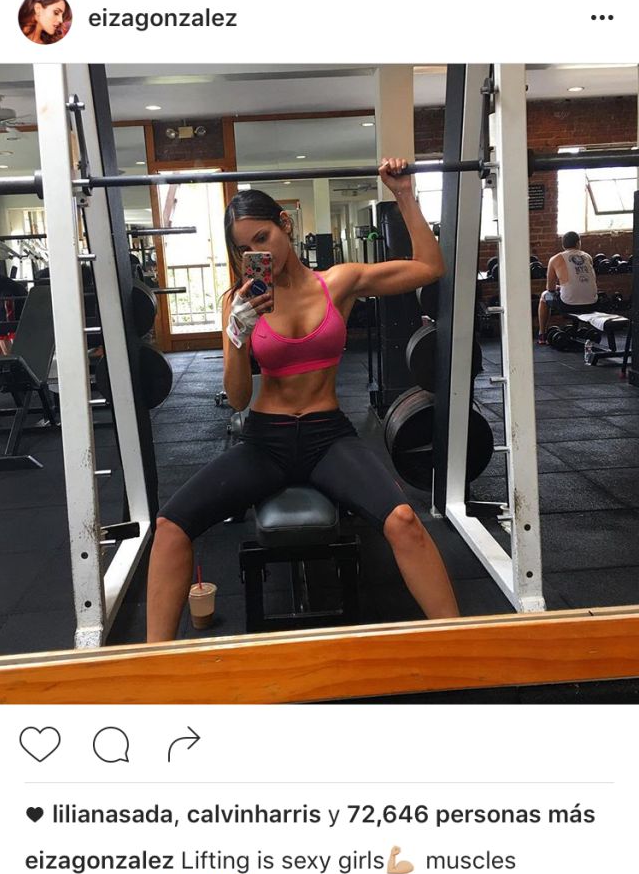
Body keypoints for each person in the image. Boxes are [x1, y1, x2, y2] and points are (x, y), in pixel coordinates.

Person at [146, 158, 460, 642]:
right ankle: (154, 665)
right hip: (265, 442)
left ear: (285, 225)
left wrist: (403, 193)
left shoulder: (338, 283)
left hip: (326, 436)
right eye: (245, 248)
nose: (257, 253)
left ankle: (462, 645)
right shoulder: (239, 302)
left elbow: (430, 267)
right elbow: (237, 399)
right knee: (170, 527)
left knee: (404, 521)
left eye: (263, 238)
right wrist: (236, 335)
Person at [536, 230, 598, 345]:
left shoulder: (555, 259)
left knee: (544, 296)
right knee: (573, 294)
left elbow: (550, 289)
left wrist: (559, 287)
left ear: (563, 245)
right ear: (578, 243)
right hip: (592, 304)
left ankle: (542, 335)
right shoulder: (588, 257)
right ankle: (575, 329)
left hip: (568, 305)